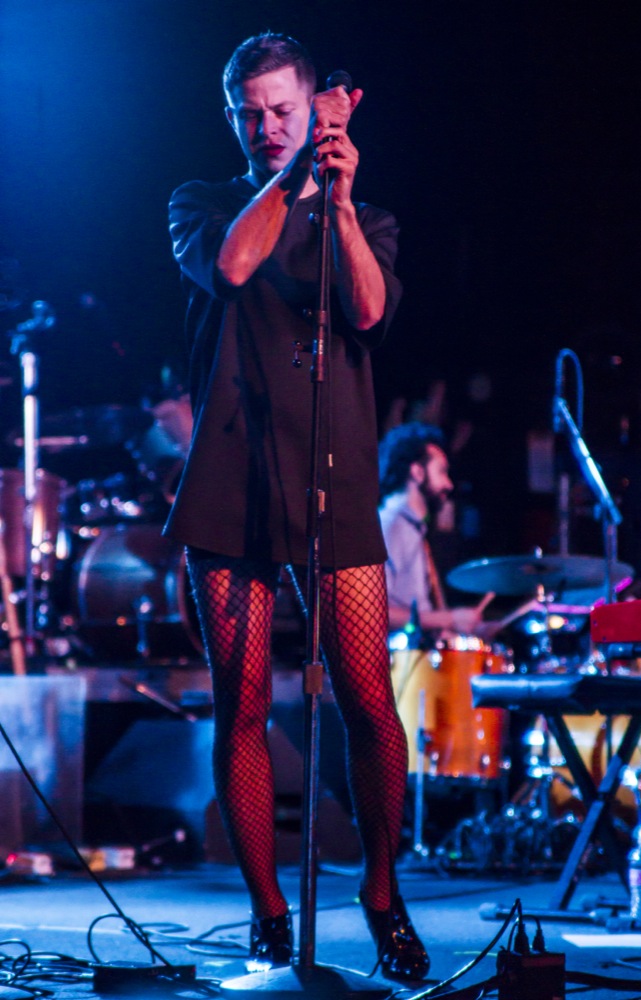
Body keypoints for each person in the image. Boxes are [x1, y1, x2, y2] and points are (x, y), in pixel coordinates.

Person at [165, 32, 429, 982]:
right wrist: (291, 178)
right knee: (241, 704)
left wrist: (340, 201)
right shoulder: (201, 204)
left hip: (333, 470)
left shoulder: (368, 217)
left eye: (284, 110)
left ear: (315, 106)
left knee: (368, 701)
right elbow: (234, 268)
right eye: (252, 113)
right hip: (229, 476)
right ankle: (269, 913)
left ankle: (382, 895)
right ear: (231, 117)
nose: (268, 127)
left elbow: (369, 312)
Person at [378, 422, 492, 639]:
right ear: (417, 472)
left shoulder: (413, 527)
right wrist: (450, 619)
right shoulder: (391, 525)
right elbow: (374, 612)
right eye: (442, 472)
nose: (449, 484)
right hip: (400, 656)